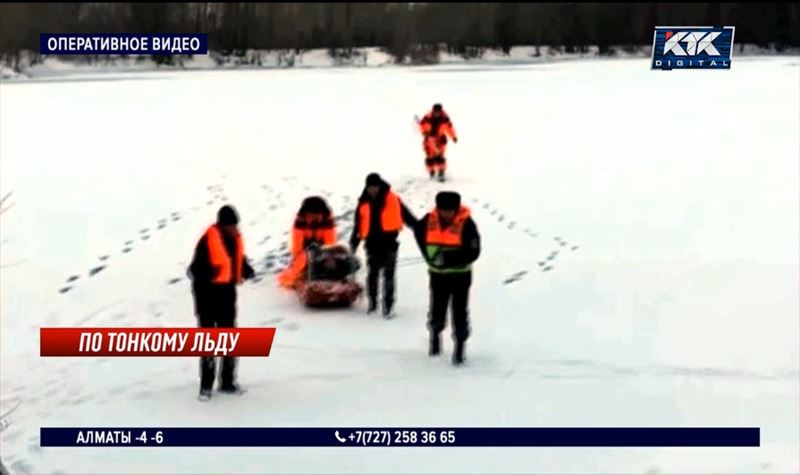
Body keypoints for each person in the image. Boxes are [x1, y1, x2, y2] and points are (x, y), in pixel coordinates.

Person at [401, 191, 480, 365]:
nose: (446, 213)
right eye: (443, 210)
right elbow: (417, 230)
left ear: (456, 209)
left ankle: (460, 347)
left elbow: (474, 251)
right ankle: (435, 338)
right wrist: (429, 256)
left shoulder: (467, 224)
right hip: (437, 277)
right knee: (437, 310)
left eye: (450, 210)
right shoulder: (428, 221)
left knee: (459, 313)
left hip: (461, 277)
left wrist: (447, 259)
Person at [188, 205, 255, 401]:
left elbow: (237, 261)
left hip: (226, 294)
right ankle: (206, 386)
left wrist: (246, 270)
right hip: (206, 296)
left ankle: (227, 382)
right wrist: (211, 275)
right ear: (223, 225)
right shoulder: (206, 241)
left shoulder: (233, 239)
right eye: (232, 225)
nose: (236, 228)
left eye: (236, 225)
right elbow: (193, 270)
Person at [349, 173, 404, 317]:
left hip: (389, 244)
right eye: (370, 187)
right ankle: (372, 304)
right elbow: (358, 224)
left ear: (379, 186)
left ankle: (388, 306)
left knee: (389, 277)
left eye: (375, 187)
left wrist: (418, 227)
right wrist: (354, 242)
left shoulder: (392, 198)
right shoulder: (363, 202)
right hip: (372, 245)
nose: (372, 190)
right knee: (372, 275)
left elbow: (405, 214)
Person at [277, 196, 337, 288]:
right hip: (305, 253)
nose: (314, 219)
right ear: (306, 215)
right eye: (311, 216)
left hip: (323, 251)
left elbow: (330, 244)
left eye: (317, 216)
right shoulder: (299, 224)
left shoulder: (328, 222)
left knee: (338, 258)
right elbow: (297, 248)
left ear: (322, 214)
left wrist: (329, 258)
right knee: (298, 266)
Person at [419, 103, 458, 181]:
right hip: (429, 140)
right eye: (435, 111)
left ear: (441, 111)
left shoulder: (445, 119)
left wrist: (453, 137)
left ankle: (441, 173)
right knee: (430, 158)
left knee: (440, 157)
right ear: (433, 111)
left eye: (438, 112)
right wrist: (424, 132)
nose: (437, 113)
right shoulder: (427, 118)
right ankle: (431, 173)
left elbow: (449, 128)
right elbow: (422, 126)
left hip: (440, 140)